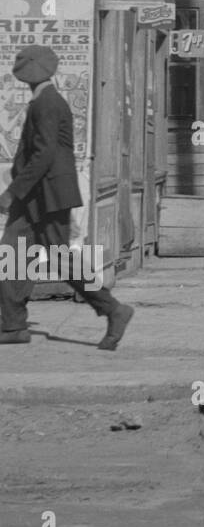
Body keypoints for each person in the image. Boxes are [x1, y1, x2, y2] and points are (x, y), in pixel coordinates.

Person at [0, 46, 133, 350]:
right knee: (13, 256)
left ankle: (113, 309)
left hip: (48, 195)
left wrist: (12, 191)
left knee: (58, 259)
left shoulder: (46, 102)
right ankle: (13, 325)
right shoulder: (44, 100)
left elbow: (44, 154)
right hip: (37, 196)